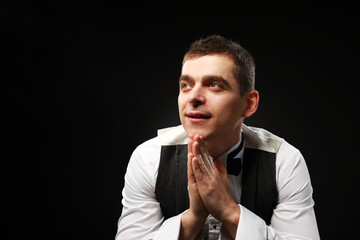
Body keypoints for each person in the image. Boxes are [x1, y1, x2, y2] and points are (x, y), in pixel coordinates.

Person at [115, 35, 320, 239]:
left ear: (249, 104)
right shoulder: (148, 158)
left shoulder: (285, 161)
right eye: (186, 85)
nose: (193, 97)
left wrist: (230, 212)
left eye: (214, 85)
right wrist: (193, 218)